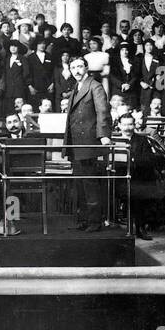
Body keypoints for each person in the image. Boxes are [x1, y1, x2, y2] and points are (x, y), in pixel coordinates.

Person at [65, 57, 111, 230]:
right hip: (75, 143)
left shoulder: (95, 85)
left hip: (88, 143)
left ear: (86, 68)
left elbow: (102, 111)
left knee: (90, 184)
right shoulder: (76, 87)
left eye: (79, 67)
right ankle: (84, 220)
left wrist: (104, 135)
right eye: (73, 67)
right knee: (80, 184)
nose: (76, 70)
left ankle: (95, 222)